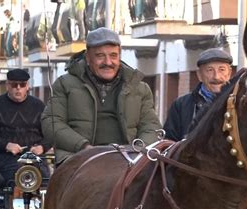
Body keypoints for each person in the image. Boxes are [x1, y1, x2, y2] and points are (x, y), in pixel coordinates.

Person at [41, 27, 162, 164]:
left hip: (129, 161)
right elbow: (51, 123)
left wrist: (137, 152)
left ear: (120, 56)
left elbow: (152, 126)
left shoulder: (140, 88)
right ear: (88, 57)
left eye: (113, 56)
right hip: (78, 159)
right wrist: (83, 146)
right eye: (100, 56)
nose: (108, 62)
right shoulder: (64, 84)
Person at [0, 69, 51, 187]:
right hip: (4, 157)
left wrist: (42, 147)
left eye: (22, 85)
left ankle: (43, 205)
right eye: (14, 85)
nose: (18, 88)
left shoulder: (39, 105)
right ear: (7, 86)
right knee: (19, 178)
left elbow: (51, 133)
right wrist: (6, 145)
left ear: (27, 86)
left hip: (35, 157)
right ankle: (14, 204)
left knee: (46, 182)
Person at [163, 48, 233, 141]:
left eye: (222, 70)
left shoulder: (240, 102)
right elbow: (169, 144)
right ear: (199, 75)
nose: (216, 76)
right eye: (210, 70)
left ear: (229, 73)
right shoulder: (181, 105)